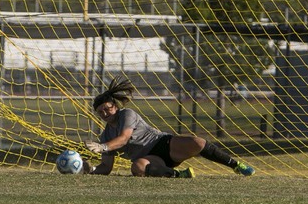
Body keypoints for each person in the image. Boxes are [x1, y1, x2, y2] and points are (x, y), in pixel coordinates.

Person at [85, 75, 255, 178]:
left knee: (198, 143)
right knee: (138, 168)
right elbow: (106, 167)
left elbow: (123, 139)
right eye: (101, 112)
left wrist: (102, 147)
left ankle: (236, 165)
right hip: (150, 159)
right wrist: (89, 170)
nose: (105, 113)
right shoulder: (106, 136)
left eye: (107, 108)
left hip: (163, 144)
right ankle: (178, 175)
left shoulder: (126, 114)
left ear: (115, 106)